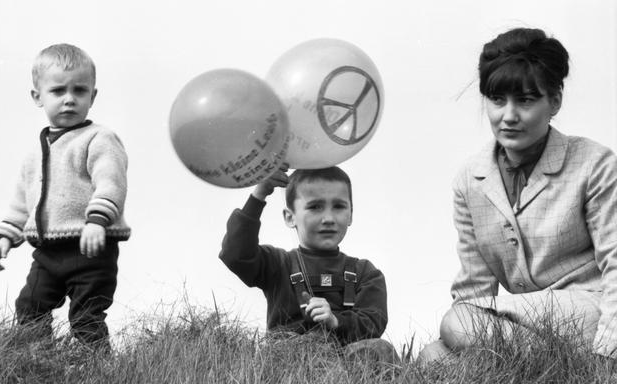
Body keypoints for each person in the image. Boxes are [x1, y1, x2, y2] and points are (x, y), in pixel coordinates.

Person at [419, 27, 617, 362]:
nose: (508, 116)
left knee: (458, 324)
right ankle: (554, 369)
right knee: (434, 356)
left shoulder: (594, 163)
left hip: (590, 313)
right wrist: (462, 338)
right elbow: (474, 289)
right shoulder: (471, 179)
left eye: (525, 100)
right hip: (521, 323)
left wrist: (608, 355)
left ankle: (579, 368)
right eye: (497, 100)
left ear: (554, 101)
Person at [0, 43, 130, 351]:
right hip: (48, 253)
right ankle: (39, 361)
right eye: (58, 91)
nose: (69, 99)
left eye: (80, 91)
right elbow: (23, 202)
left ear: (93, 96)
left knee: (86, 317)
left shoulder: (99, 139)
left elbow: (111, 182)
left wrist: (97, 221)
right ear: (37, 96)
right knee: (29, 306)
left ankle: (99, 368)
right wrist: (7, 235)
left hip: (90, 247)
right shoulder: (35, 153)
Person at [219, 166, 399, 364]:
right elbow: (235, 254)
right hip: (289, 363)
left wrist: (336, 321)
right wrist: (259, 194)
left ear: (351, 215)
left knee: (381, 349)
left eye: (338, 206)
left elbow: (373, 322)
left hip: (347, 364)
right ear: (290, 217)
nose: (328, 219)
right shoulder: (278, 264)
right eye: (315, 207)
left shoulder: (366, 273)